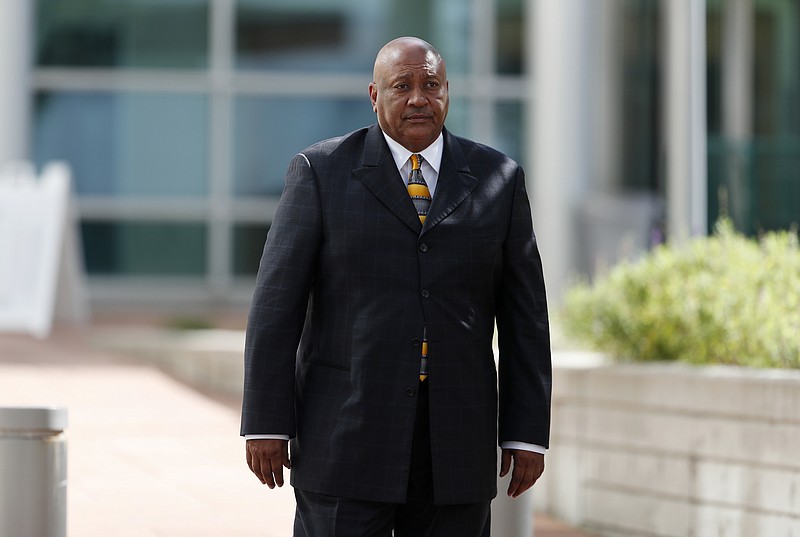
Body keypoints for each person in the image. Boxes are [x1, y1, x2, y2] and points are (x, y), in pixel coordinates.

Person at [241, 36, 551, 537]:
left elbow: (526, 319)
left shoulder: (499, 178)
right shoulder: (320, 173)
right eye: (402, 86)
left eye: (431, 85)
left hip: (456, 440)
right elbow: (276, 306)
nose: (418, 98)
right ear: (373, 95)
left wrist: (527, 434)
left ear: (448, 92)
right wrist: (267, 423)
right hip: (346, 431)